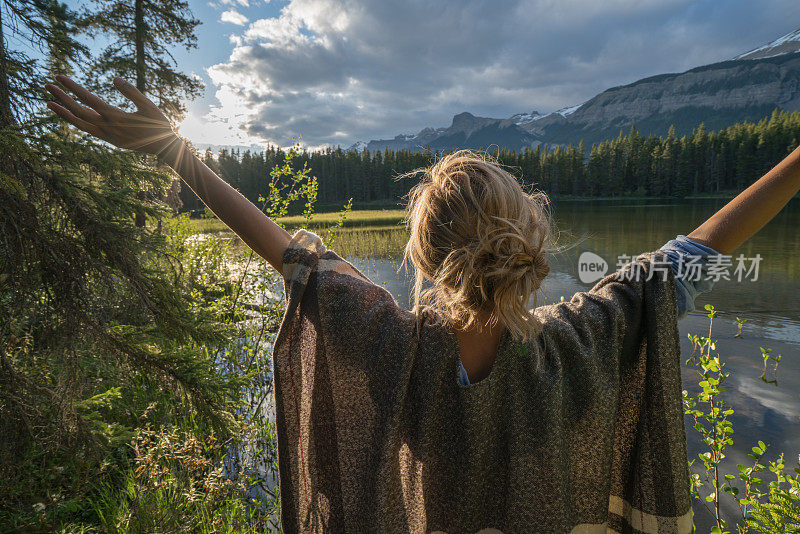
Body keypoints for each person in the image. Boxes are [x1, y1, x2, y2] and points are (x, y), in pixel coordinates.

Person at [44, 75, 800, 533]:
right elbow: (696, 253)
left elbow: (287, 255)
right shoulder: (585, 342)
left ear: (427, 259)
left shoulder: (387, 347)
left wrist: (176, 152)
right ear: (530, 237)